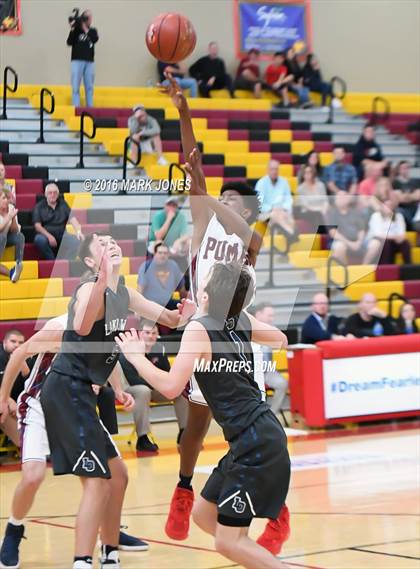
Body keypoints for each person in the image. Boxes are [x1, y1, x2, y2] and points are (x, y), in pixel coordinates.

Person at [160, 73, 290, 556]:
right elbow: (193, 164)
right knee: (193, 425)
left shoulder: (248, 245)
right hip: (203, 329)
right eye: (222, 199)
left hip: (235, 340)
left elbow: (222, 205)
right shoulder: (203, 224)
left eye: (234, 201)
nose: (224, 203)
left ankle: (277, 509)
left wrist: (208, 191)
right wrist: (183, 112)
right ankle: (184, 487)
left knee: (243, 421)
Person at [116, 263, 291, 569]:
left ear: (208, 296)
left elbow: (171, 388)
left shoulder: (199, 329)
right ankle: (256, 556)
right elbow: (280, 339)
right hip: (253, 437)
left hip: (255, 443)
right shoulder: (239, 320)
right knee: (203, 515)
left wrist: (136, 358)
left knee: (227, 541)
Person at [38, 232, 195, 569]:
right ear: (92, 262)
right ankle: (82, 561)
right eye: (102, 244)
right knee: (97, 482)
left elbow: (169, 319)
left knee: (118, 475)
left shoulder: (125, 293)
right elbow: (81, 326)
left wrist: (186, 313)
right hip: (65, 388)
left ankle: (109, 553)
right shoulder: (85, 287)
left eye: (113, 240)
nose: (111, 243)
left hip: (83, 392)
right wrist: (103, 278)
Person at [0, 315, 148, 569]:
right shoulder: (60, 329)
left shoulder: (106, 325)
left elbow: (107, 358)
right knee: (33, 476)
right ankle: (14, 529)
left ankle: (108, 532)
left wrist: (119, 390)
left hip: (77, 405)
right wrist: (3, 398)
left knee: (115, 475)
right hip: (39, 404)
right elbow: (18, 355)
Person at [119, 320, 188, 454]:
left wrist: (164, 384)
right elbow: (133, 380)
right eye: (147, 333)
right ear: (139, 334)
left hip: (153, 390)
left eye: (154, 333)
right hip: (130, 390)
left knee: (179, 389)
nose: (151, 336)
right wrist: (157, 381)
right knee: (143, 391)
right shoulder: (129, 350)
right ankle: (143, 438)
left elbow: (168, 374)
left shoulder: (159, 349)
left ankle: (184, 433)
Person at [251, 303, 288, 416]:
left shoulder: (271, 330)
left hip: (268, 370)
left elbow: (283, 344)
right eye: (269, 316)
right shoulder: (248, 328)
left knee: (283, 384)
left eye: (273, 316)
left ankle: (272, 415)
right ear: (258, 314)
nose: (272, 319)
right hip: (251, 371)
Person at [33, 183, 83, 260]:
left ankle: (65, 262)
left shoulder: (63, 204)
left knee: (78, 241)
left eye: (55, 192)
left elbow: (73, 220)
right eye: (50, 193)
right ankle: (52, 261)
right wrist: (49, 236)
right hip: (46, 234)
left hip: (62, 233)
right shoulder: (39, 206)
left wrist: (78, 232)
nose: (53, 195)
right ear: (46, 194)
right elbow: (37, 226)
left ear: (58, 194)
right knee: (39, 240)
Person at [326, 191, 378, 264]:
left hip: (358, 241)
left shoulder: (355, 212)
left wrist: (359, 242)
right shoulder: (331, 213)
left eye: (344, 196)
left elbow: (361, 230)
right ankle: (347, 272)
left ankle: (364, 267)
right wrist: (350, 244)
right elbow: (333, 233)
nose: (342, 198)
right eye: (340, 197)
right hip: (342, 241)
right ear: (335, 200)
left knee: (375, 243)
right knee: (339, 247)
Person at [255, 159, 296, 243]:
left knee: (281, 217)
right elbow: (259, 204)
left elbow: (288, 199)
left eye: (276, 169)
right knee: (275, 215)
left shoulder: (284, 182)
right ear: (268, 170)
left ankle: (284, 237)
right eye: (272, 169)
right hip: (265, 213)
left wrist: (283, 209)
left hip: (281, 211)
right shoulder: (261, 183)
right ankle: (290, 233)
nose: (274, 171)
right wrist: (272, 208)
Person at [137, 242, 187, 310]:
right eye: (160, 253)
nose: (162, 255)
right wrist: (138, 309)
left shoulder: (173, 265)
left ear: (168, 255)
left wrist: (185, 304)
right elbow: (140, 290)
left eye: (165, 253)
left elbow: (182, 290)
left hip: (168, 304)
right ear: (154, 254)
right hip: (151, 305)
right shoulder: (146, 267)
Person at [366, 194, 412, 265]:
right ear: (382, 206)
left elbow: (402, 234)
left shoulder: (399, 216)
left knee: (405, 243)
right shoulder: (376, 216)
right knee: (386, 243)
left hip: (394, 241)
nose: (388, 208)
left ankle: (409, 266)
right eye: (386, 205)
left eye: (390, 206)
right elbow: (378, 235)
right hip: (379, 242)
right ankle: (386, 268)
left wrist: (398, 237)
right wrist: (395, 237)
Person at [67, 9, 98, 107]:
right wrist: (72, 29)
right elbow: (69, 42)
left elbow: (94, 39)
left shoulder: (93, 30)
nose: (89, 19)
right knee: (75, 86)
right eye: (87, 17)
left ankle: (90, 107)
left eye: (90, 17)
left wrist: (85, 28)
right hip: (77, 60)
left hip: (89, 62)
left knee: (89, 87)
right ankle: (76, 107)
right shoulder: (76, 30)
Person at [0, 188, 24, 282]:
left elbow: (15, 231)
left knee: (20, 236)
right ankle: (12, 273)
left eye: (8, 198)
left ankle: (18, 264)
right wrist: (9, 217)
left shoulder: (10, 208)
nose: (8, 201)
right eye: (4, 198)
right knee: (2, 236)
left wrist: (13, 218)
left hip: (6, 239)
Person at [0, 329, 29, 402]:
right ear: (5, 342)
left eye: (21, 342)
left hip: (20, 402)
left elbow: (33, 388)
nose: (17, 345)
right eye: (13, 341)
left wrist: (26, 373)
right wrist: (7, 400)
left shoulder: (28, 357)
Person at [295, 165, 328, 230]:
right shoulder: (301, 188)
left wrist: (324, 209)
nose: (308, 174)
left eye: (310, 172)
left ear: (313, 173)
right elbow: (306, 205)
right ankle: (321, 234)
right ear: (303, 175)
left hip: (321, 209)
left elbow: (325, 201)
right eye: (306, 172)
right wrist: (319, 210)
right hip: (307, 211)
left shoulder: (320, 185)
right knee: (316, 215)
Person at [393, 161, 420, 229]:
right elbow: (401, 199)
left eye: (407, 167)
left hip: (415, 209)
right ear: (399, 170)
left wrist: (406, 196)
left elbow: (418, 196)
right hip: (403, 209)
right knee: (398, 211)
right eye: (403, 168)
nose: (406, 170)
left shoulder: (416, 181)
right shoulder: (395, 182)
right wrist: (412, 196)